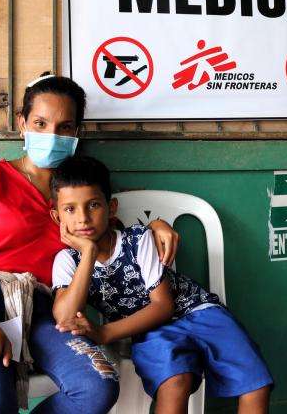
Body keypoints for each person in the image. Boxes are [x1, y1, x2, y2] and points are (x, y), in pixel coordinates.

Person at [0, 74, 182, 413]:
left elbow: (116, 236)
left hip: (43, 309)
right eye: (40, 122)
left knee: (97, 387)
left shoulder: (79, 196)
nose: (52, 135)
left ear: (76, 133)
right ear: (22, 123)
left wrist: (155, 224)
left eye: (65, 127)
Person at [49, 155, 274, 414]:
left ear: (111, 208)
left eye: (93, 205)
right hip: (149, 329)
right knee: (175, 382)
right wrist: (87, 253)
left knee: (255, 383)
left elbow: (163, 305)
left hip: (198, 310)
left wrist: (104, 333)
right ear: (57, 217)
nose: (83, 219)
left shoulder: (139, 240)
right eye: (70, 209)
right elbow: (64, 317)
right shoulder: (67, 260)